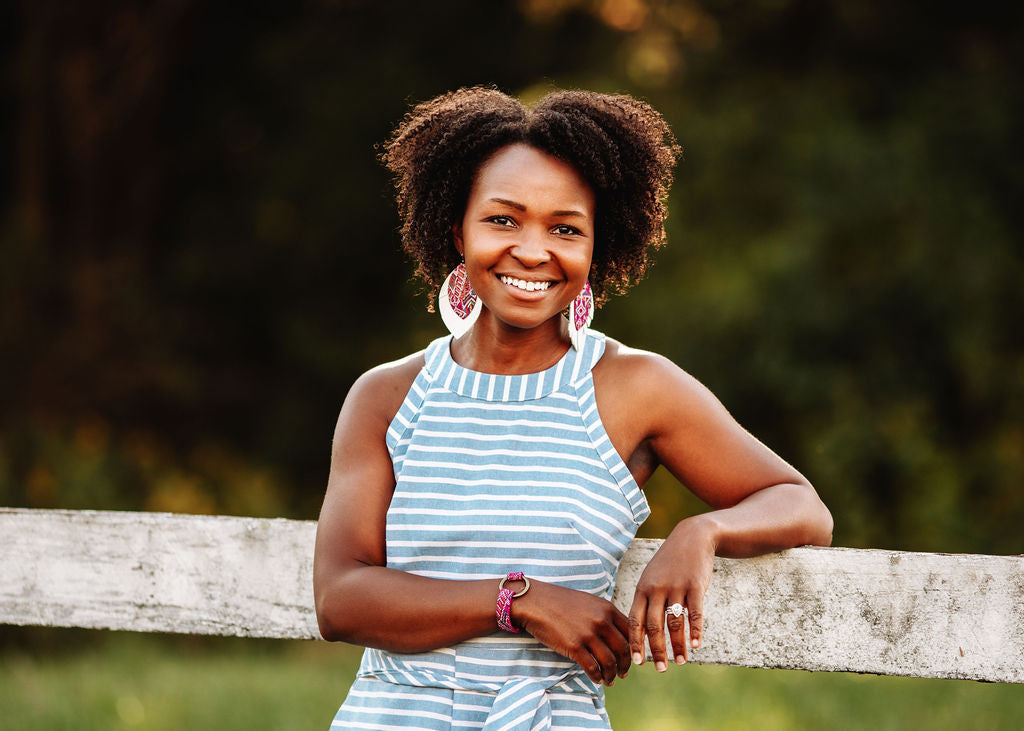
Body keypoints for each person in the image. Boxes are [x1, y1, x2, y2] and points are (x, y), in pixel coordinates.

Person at [313, 86, 833, 730]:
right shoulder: (387, 396)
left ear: (596, 246)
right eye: (503, 219)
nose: (533, 251)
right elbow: (341, 600)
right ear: (457, 228)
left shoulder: (633, 388)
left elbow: (800, 503)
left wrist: (703, 532)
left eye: (565, 228)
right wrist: (520, 601)